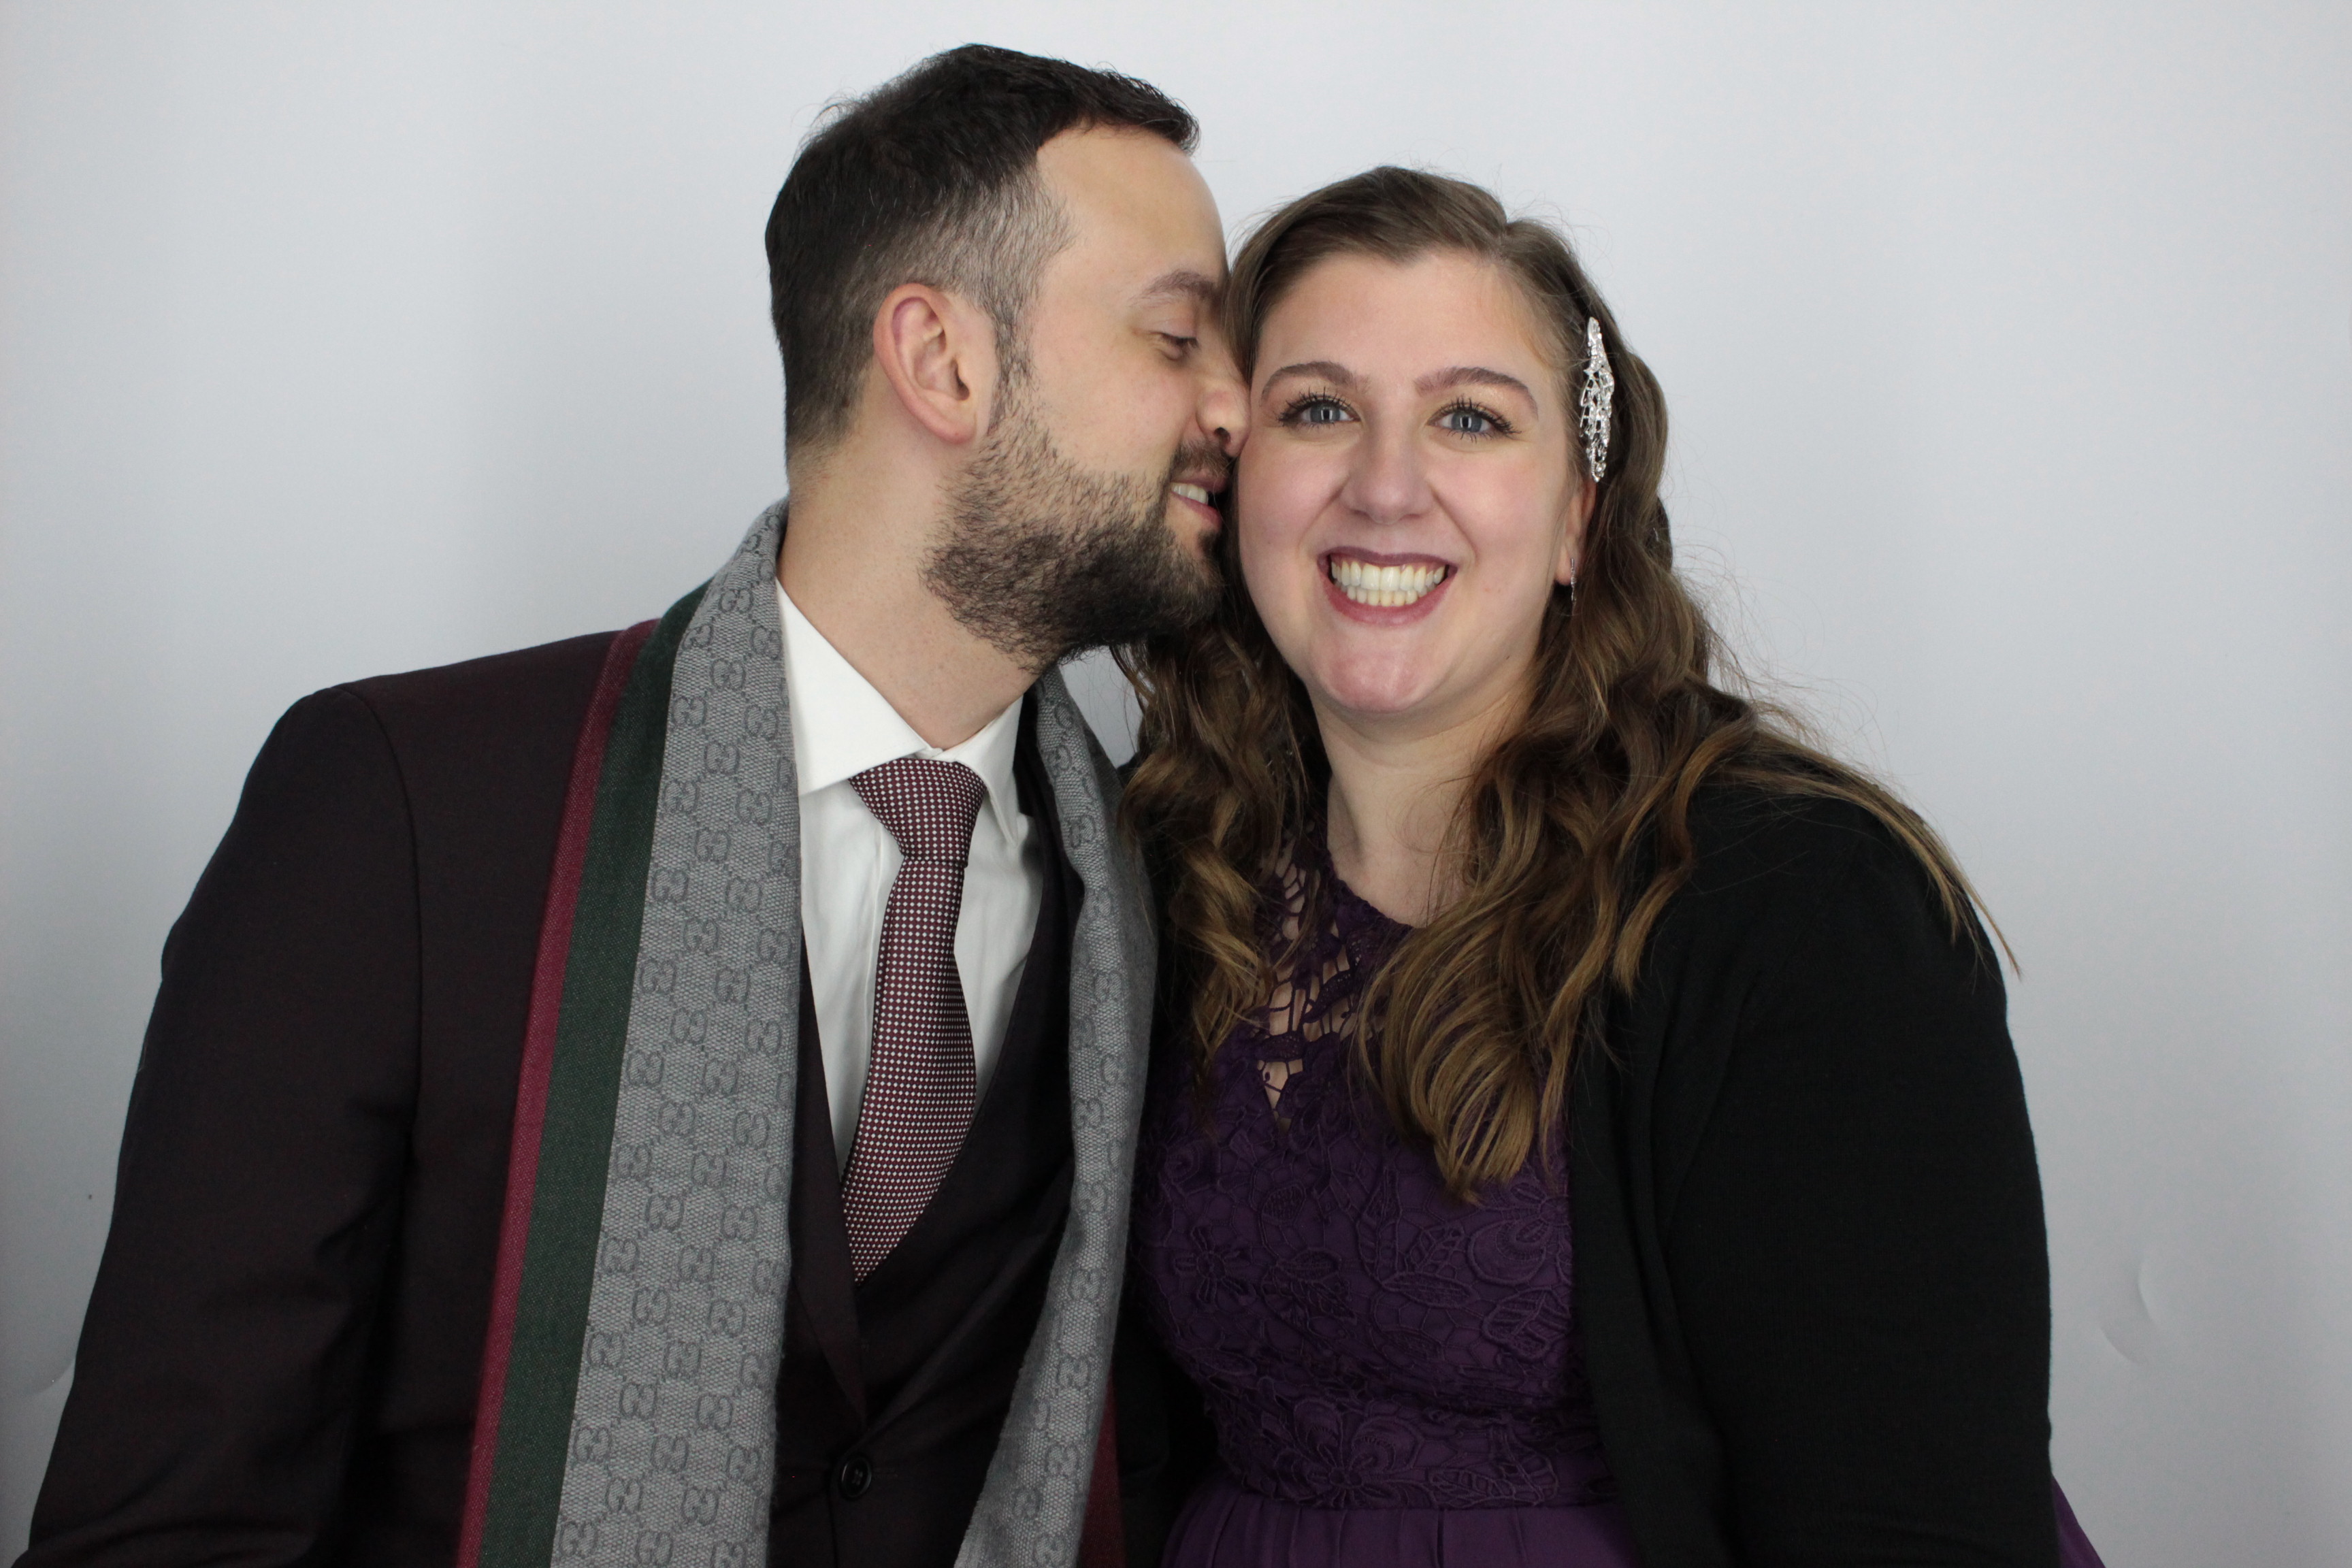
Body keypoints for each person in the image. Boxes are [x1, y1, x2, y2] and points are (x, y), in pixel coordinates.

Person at [22, 45, 1243, 1568]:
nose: (1237, 404)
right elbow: (173, 1527)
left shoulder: (1161, 883)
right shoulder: (397, 812)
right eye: (1178, 336)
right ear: (941, 361)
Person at [1119, 167, 2107, 1567]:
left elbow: (1912, 1527)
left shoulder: (1803, 910)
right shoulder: (1168, 872)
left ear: (1580, 517)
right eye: (1319, 409)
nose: (1386, 486)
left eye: (1471, 417)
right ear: (1233, 481)